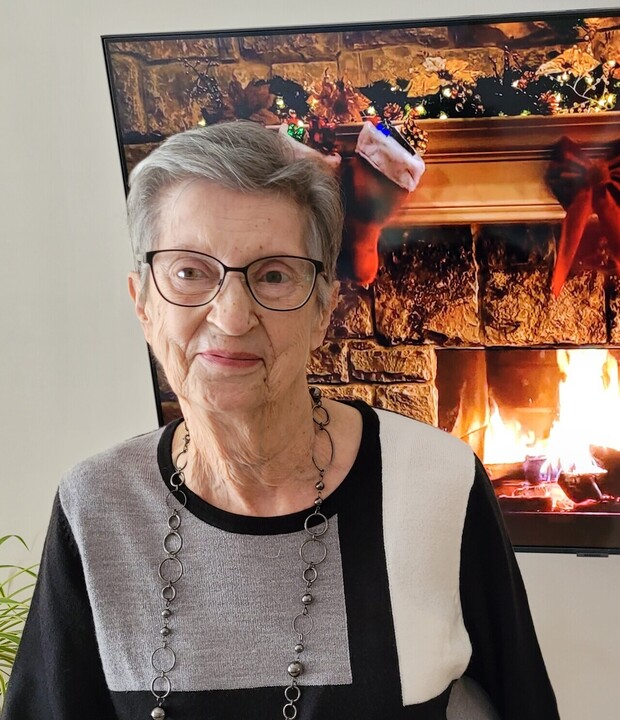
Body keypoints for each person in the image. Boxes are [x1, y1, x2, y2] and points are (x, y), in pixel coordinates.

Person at [2, 121, 559, 720]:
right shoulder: (97, 506)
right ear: (143, 303)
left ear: (323, 310)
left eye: (273, 275)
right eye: (189, 272)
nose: (231, 317)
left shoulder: (437, 482)